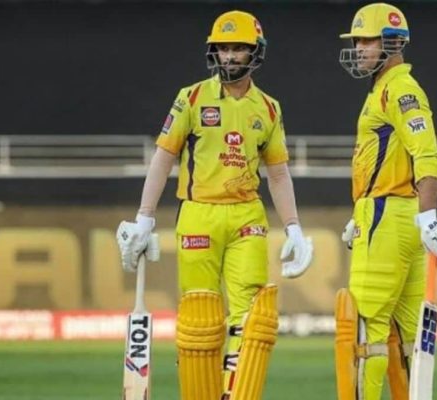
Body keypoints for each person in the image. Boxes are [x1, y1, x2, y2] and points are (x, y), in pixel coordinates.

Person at [116, 10, 313, 400]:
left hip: (247, 217)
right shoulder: (191, 97)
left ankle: (233, 394)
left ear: (255, 52)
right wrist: (144, 218)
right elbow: (163, 158)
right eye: (223, 48)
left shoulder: (268, 108)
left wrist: (293, 227)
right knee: (201, 320)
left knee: (252, 319)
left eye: (238, 48)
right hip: (198, 214)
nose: (229, 56)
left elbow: (278, 174)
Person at [334, 3, 437, 400]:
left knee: (365, 334)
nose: (358, 48)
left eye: (366, 41)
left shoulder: (399, 90)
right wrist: (360, 212)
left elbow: (426, 153)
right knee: (406, 336)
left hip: (388, 216)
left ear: (391, 43)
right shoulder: (385, 88)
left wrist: (429, 216)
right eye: (357, 41)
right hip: (392, 213)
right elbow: (388, 161)